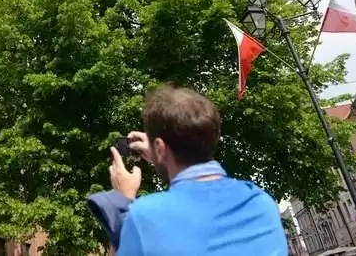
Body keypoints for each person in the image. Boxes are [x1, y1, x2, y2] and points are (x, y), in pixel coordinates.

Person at [108, 84, 287, 255]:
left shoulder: (143, 217)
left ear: (161, 148)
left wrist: (122, 200)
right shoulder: (263, 205)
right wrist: (160, 154)